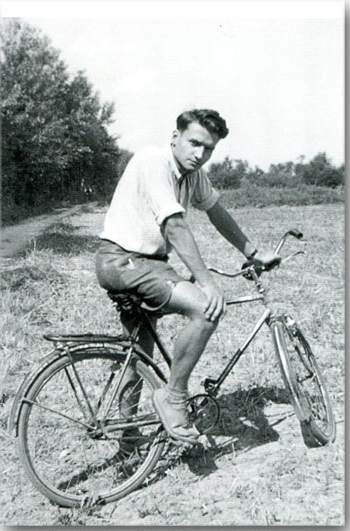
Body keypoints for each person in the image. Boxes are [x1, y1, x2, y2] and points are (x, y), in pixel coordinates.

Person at [96, 108, 276, 444]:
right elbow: (174, 226)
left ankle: (128, 440)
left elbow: (216, 211)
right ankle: (174, 396)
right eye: (194, 143)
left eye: (208, 149)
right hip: (124, 261)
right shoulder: (154, 161)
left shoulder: (192, 174)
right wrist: (207, 283)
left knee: (138, 356)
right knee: (205, 309)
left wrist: (251, 252)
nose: (200, 154)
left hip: (148, 264)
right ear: (175, 137)